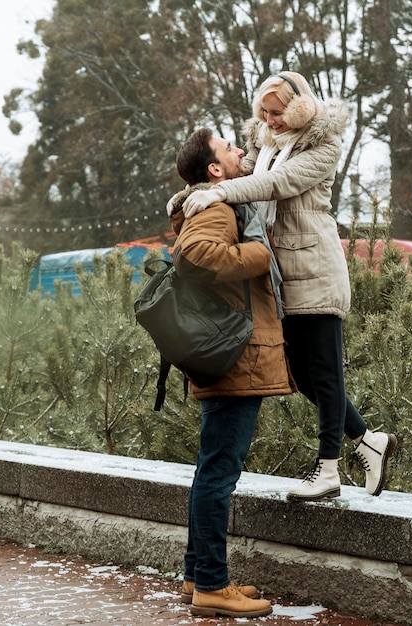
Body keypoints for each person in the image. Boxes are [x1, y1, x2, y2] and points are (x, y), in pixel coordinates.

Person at [181, 71, 397, 502]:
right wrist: (198, 191)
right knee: (300, 372)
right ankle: (368, 440)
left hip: (315, 269)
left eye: (278, 113)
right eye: (265, 112)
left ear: (298, 108)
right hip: (283, 277)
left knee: (326, 371)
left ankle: (328, 469)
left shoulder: (323, 146)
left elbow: (277, 185)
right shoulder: (267, 145)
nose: (270, 120)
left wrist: (218, 194)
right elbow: (241, 186)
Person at [168, 128, 293, 618]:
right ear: (215, 170)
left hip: (226, 354)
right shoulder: (217, 208)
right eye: (229, 148)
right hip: (234, 357)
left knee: (210, 470)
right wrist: (258, 255)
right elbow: (193, 255)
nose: (241, 150)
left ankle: (197, 575)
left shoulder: (215, 205)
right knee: (219, 474)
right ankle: (212, 587)